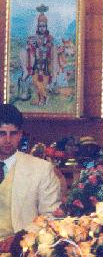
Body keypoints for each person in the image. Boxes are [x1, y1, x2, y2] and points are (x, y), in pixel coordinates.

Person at [0, 104, 62, 246]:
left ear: (20, 134)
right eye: (2, 133)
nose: (8, 140)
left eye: (13, 133)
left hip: (21, 252)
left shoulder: (41, 169)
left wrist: (19, 239)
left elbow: (51, 216)